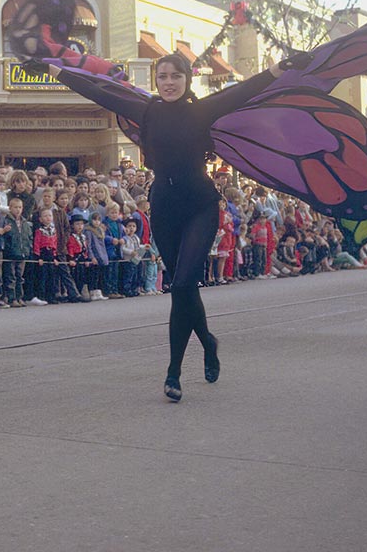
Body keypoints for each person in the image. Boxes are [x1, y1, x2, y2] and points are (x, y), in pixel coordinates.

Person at [53, 51, 297, 402]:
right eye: (162, 76)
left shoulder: (201, 110)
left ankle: (173, 372)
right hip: (164, 209)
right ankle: (209, 342)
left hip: (200, 205)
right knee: (183, 289)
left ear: (187, 79)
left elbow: (244, 90)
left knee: (183, 283)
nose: (168, 82)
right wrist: (54, 70)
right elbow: (100, 93)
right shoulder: (148, 111)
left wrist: (279, 68)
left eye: (175, 76)